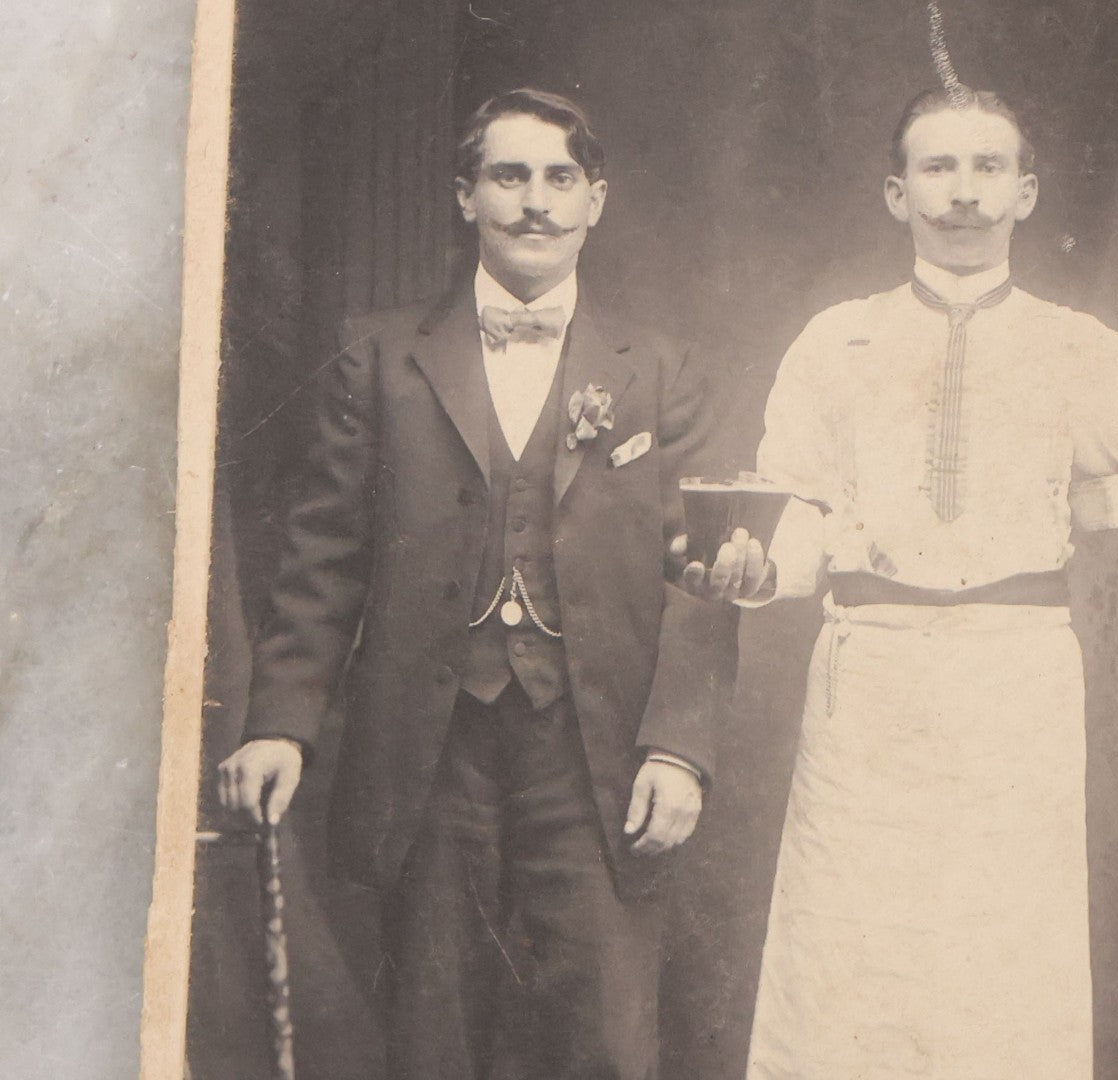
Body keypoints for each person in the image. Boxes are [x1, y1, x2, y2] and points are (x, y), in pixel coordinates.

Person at [216, 88, 759, 1080]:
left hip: (595, 752)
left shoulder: (662, 369)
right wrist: (279, 722)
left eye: (560, 179)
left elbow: (701, 576)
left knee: (604, 1040)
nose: (535, 203)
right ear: (465, 197)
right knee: (435, 1036)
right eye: (508, 177)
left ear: (597, 199)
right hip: (429, 750)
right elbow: (322, 554)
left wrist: (680, 749)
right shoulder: (380, 356)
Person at [738, 87, 1118, 1079]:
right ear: (894, 194)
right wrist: (764, 565)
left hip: (1016, 684)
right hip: (867, 687)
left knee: (1002, 960)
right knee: (852, 955)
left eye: (986, 169)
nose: (961, 194)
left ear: (1026, 192)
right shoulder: (835, 343)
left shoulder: (1073, 345)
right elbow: (793, 508)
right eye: (936, 168)